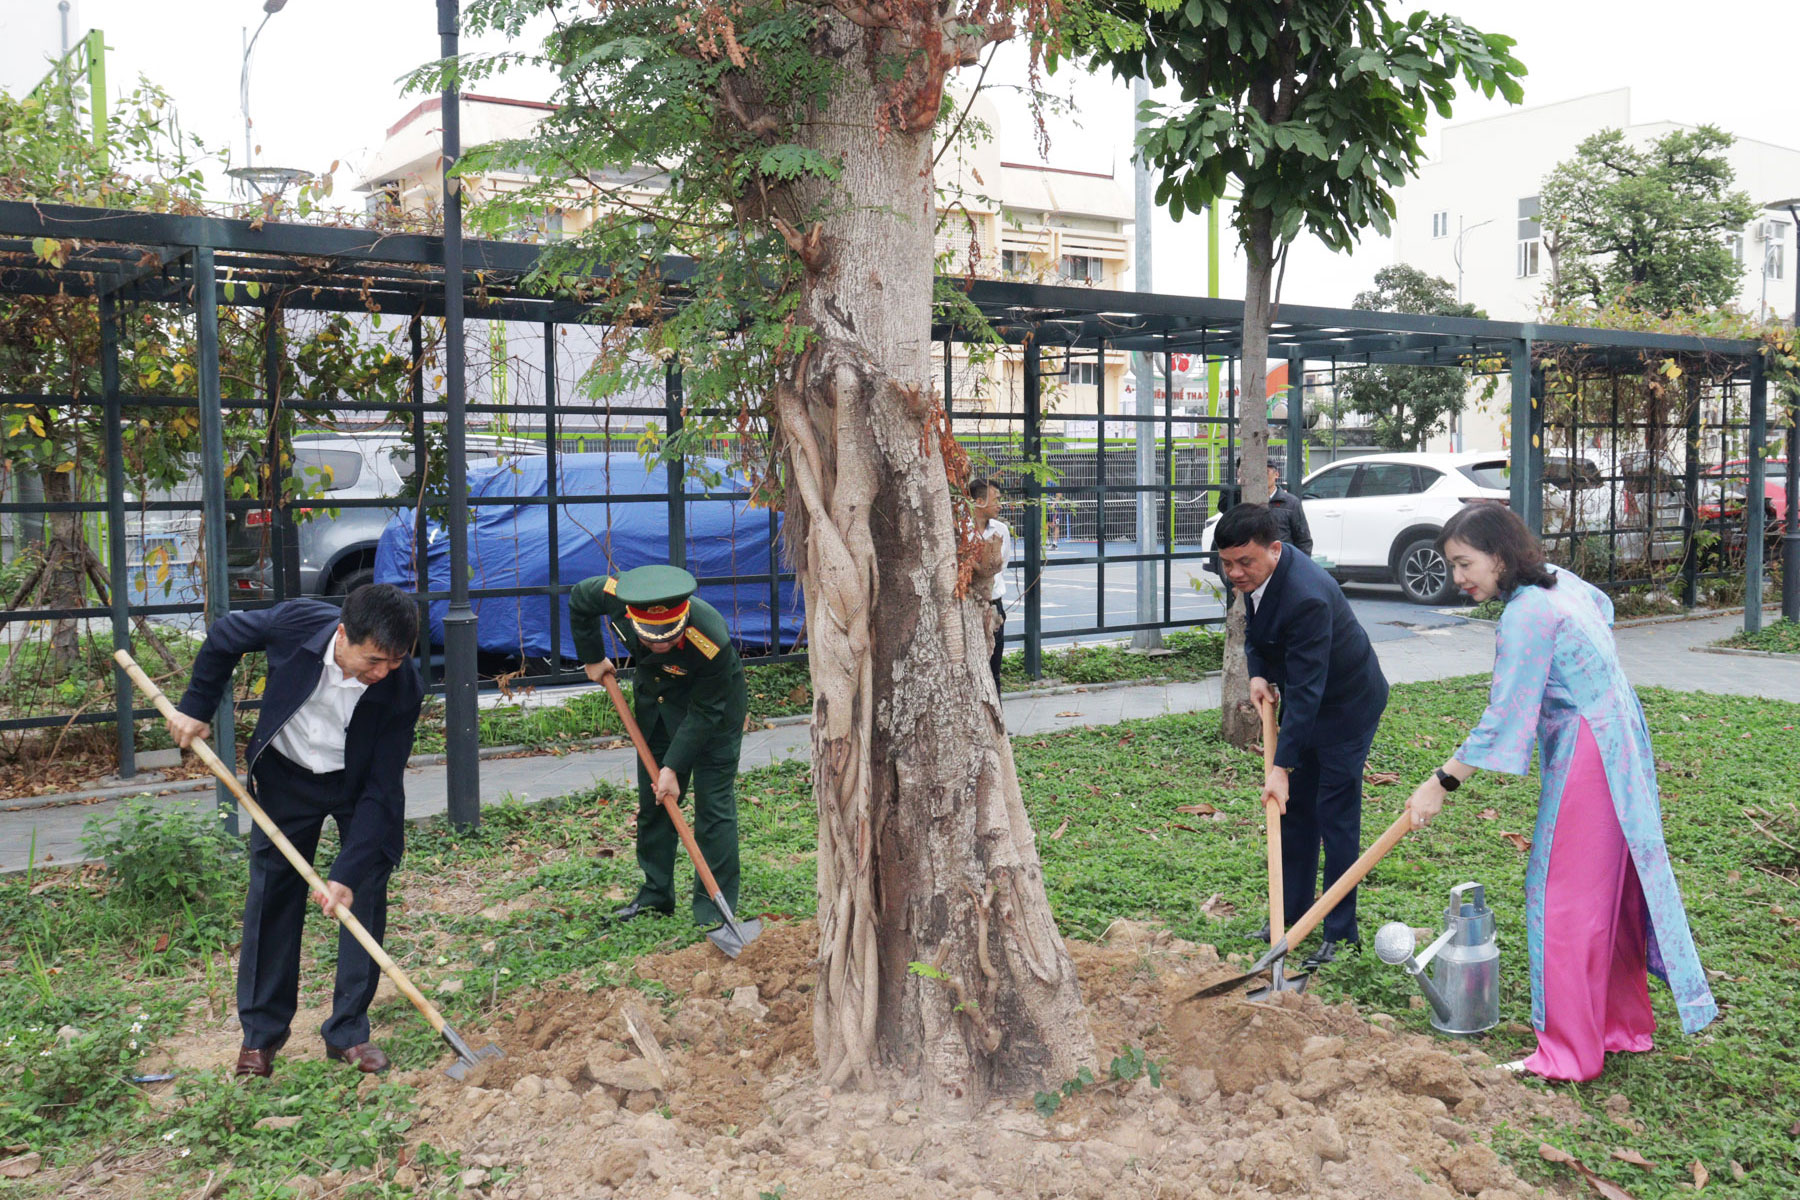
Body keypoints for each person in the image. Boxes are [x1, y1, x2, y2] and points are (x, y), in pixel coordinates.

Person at [1403, 504, 1716, 1081]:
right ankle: (1619, 1027)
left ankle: (1568, 1053)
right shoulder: (1562, 584)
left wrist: (1438, 783)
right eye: (1452, 566)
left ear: (1500, 556)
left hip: (1588, 753)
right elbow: (1605, 607)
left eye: (1465, 563)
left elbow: (1504, 714)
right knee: (1612, 896)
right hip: (1621, 740)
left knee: (1562, 900)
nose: (1458, 578)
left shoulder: (1525, 615)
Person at [165, 584, 423, 1078]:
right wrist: (197, 706)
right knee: (273, 896)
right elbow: (223, 636)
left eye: (395, 660)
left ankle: (348, 1033)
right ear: (343, 634)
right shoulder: (298, 624)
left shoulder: (401, 683)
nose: (383, 672)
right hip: (287, 777)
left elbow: (383, 788)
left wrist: (344, 874)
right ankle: (260, 1037)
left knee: (363, 891)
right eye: (374, 660)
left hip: (356, 784)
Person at [1215, 503, 1389, 968]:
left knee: (1335, 813)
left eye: (1244, 562)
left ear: (1275, 549)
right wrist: (1258, 673)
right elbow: (1255, 628)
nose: (1234, 573)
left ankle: (1338, 928)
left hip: (1347, 706)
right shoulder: (1255, 575)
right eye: (1226, 562)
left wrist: (1280, 767)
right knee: (1294, 815)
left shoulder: (1308, 595)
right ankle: (1291, 912)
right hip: (1309, 697)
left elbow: (1309, 692)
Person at [569, 564, 748, 926]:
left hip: (713, 717)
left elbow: (705, 711)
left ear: (683, 619)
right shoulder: (618, 597)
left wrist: (673, 767)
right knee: (655, 804)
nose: (660, 645)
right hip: (659, 707)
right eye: (651, 638)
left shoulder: (710, 638)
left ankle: (714, 911)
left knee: (713, 808)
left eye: (668, 637)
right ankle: (655, 895)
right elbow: (579, 599)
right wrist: (591, 656)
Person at [970, 477, 1015, 697]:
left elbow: (1000, 565)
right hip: (967, 604)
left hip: (994, 604)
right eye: (995, 500)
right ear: (978, 501)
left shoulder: (1001, 530)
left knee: (994, 668)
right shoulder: (961, 530)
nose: (999, 505)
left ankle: (997, 725)